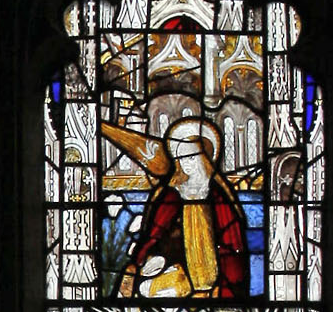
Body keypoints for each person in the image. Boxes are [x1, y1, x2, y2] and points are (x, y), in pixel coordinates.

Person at [100, 110, 250, 300]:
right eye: (181, 159)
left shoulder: (217, 196)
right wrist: (139, 263)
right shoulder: (171, 195)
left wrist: (227, 286)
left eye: (191, 157)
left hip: (213, 281)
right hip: (175, 274)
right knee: (147, 289)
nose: (186, 164)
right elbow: (154, 235)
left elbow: (233, 244)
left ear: (204, 158)